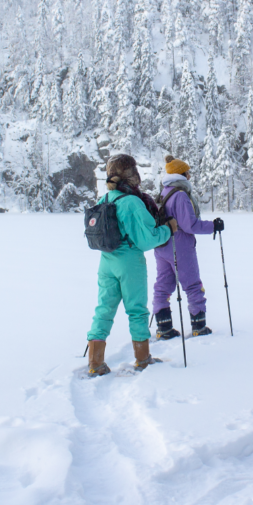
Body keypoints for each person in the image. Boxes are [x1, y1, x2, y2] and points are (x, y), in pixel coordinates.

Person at [87, 154, 178, 377]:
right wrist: (169, 229)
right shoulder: (132, 202)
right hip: (130, 262)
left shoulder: (105, 199)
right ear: (131, 175)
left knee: (103, 310)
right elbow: (146, 239)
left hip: (107, 261)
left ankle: (95, 362)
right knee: (137, 310)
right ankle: (143, 359)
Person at [152, 155, 225, 339]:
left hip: (162, 246)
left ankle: (164, 328)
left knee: (163, 286)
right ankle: (198, 327)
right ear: (182, 174)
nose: (190, 175)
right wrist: (213, 226)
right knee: (193, 285)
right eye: (188, 172)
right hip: (180, 247)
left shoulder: (164, 192)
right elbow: (189, 225)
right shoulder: (181, 195)